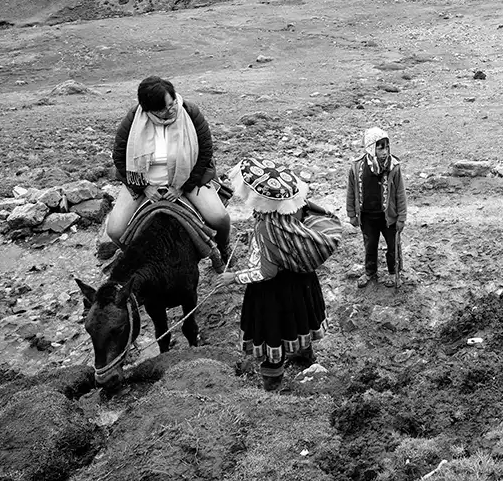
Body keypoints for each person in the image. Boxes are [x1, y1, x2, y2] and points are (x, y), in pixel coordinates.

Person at [218, 157, 344, 392]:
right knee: (299, 320)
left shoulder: (265, 226)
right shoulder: (289, 212)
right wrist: (253, 238)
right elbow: (283, 243)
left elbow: (266, 271)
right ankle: (305, 356)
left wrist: (234, 277)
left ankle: (273, 383)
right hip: (301, 283)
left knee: (273, 334)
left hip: (273, 293)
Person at [108, 75, 231, 260]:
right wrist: (144, 188)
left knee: (220, 217)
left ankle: (223, 247)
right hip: (144, 181)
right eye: (163, 109)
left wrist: (183, 186)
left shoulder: (189, 112)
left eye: (172, 103)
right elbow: (119, 156)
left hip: (187, 178)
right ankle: (136, 260)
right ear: (149, 110)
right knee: (115, 231)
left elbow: (205, 152)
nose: (171, 110)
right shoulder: (134, 119)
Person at [346, 127, 407, 288]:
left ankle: (393, 272)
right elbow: (351, 191)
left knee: (393, 246)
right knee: (370, 245)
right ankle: (370, 271)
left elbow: (400, 193)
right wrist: (351, 214)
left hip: (388, 217)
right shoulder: (357, 167)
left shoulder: (393, 167)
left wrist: (401, 218)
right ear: (370, 148)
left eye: (386, 147)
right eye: (380, 148)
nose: (384, 152)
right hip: (367, 216)